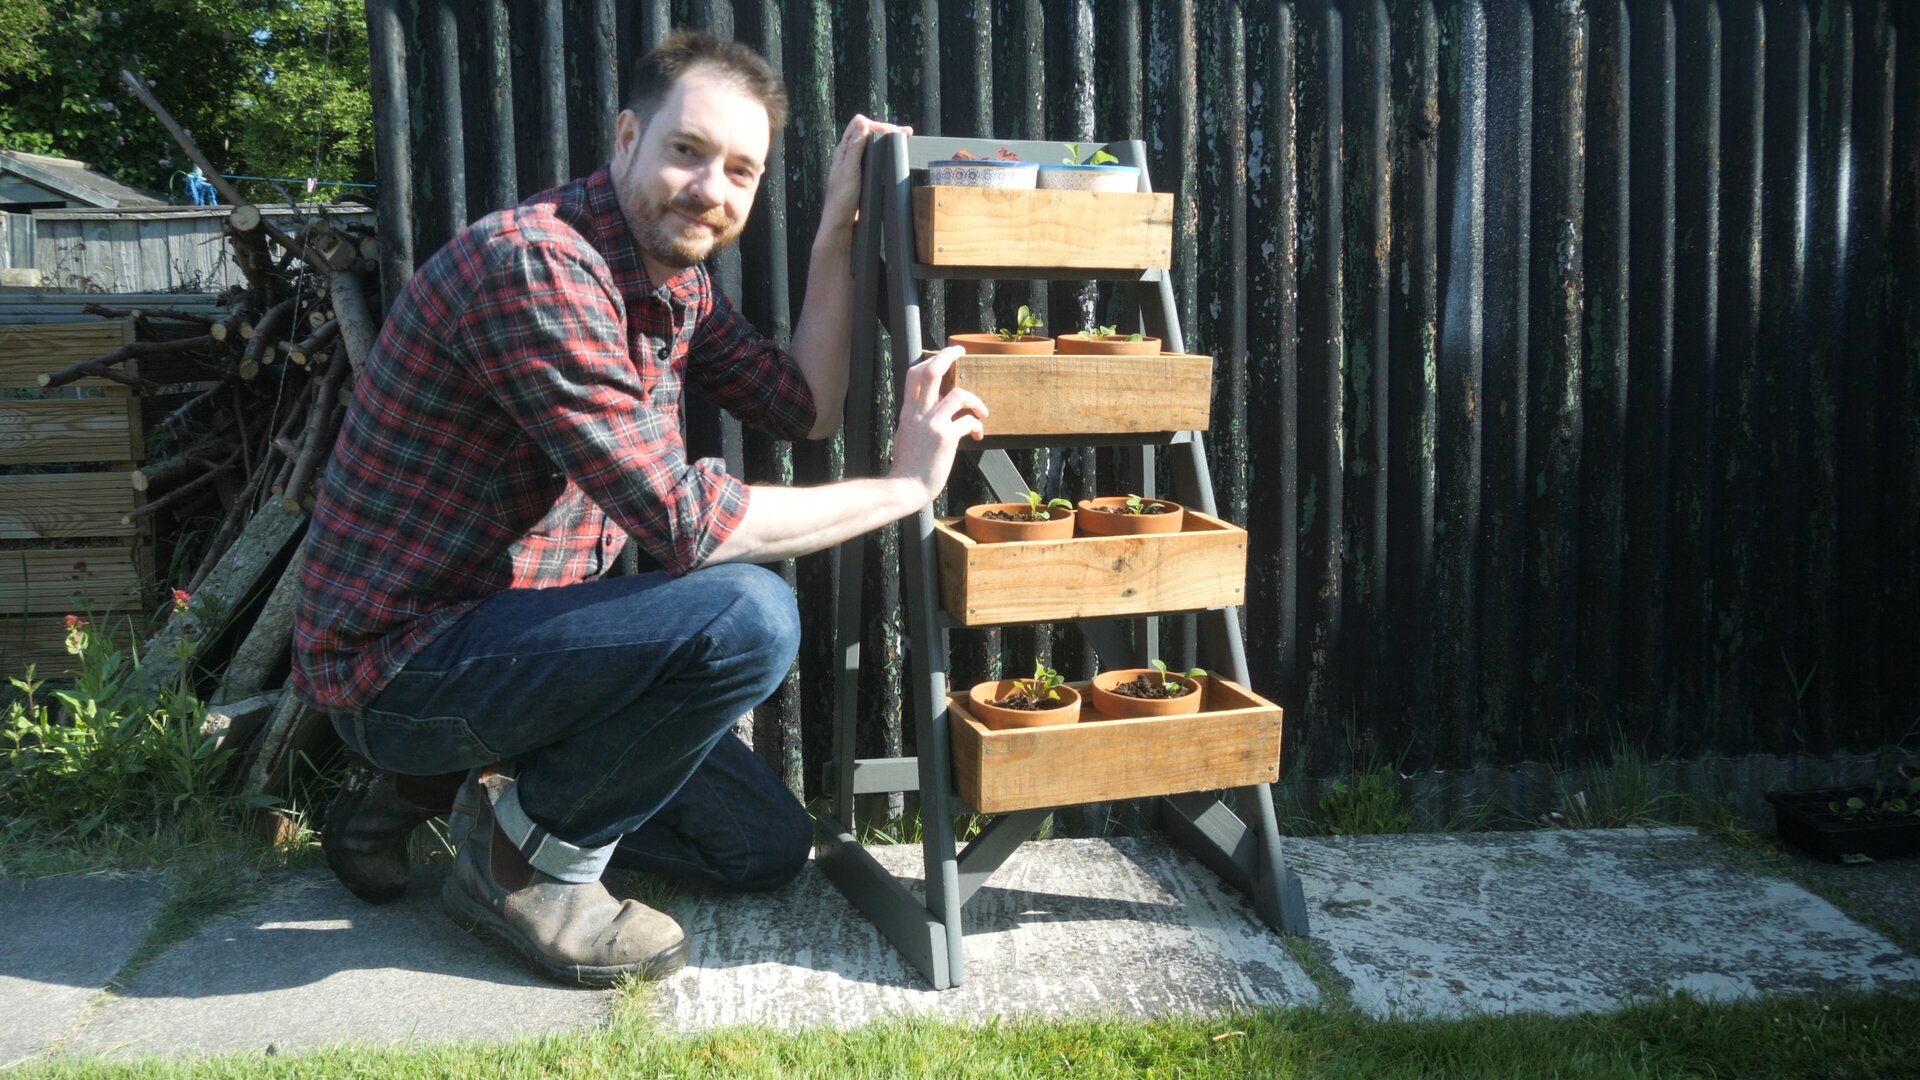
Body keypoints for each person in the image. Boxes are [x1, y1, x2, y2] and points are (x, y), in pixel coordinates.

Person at [291, 31, 986, 986]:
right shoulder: (535, 266)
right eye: (688, 151)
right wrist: (908, 488)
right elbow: (684, 526)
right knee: (746, 614)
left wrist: (835, 225)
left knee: (764, 849)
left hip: (519, 654)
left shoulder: (676, 284)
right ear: (626, 138)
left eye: (741, 171)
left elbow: (806, 408)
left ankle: (452, 794)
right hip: (402, 664)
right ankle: (525, 865)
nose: (712, 189)